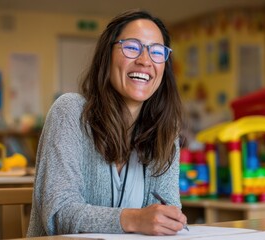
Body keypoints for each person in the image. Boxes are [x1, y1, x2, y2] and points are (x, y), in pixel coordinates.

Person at [27, 9, 187, 237]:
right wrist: (134, 219)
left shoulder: (165, 131)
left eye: (157, 52)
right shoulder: (70, 112)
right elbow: (58, 215)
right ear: (107, 55)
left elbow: (166, 214)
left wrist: (167, 221)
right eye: (132, 47)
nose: (144, 61)